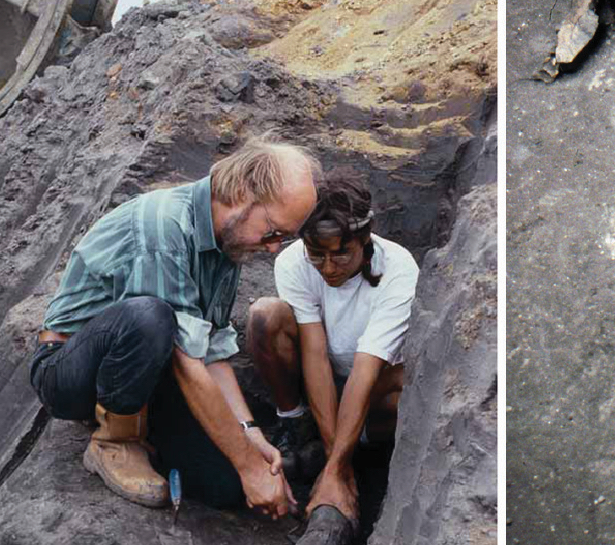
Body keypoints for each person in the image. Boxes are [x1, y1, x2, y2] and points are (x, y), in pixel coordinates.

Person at [31, 140, 317, 516]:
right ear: (245, 194)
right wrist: (250, 467)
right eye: (273, 232)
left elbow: (212, 352)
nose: (274, 248)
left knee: (224, 484)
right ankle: (113, 441)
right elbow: (186, 361)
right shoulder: (163, 226)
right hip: (70, 372)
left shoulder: (227, 247)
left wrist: (251, 437)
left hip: (151, 376)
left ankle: (144, 429)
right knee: (150, 317)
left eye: (283, 238)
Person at [246, 175, 417, 523]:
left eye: (341, 254)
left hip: (371, 389)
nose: (328, 268)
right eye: (317, 255)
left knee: (409, 380)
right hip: (316, 384)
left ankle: (363, 455)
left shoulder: (398, 268)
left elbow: (367, 368)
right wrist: (333, 461)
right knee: (265, 315)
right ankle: (296, 427)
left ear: (364, 239)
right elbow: (314, 353)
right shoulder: (293, 262)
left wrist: (338, 469)